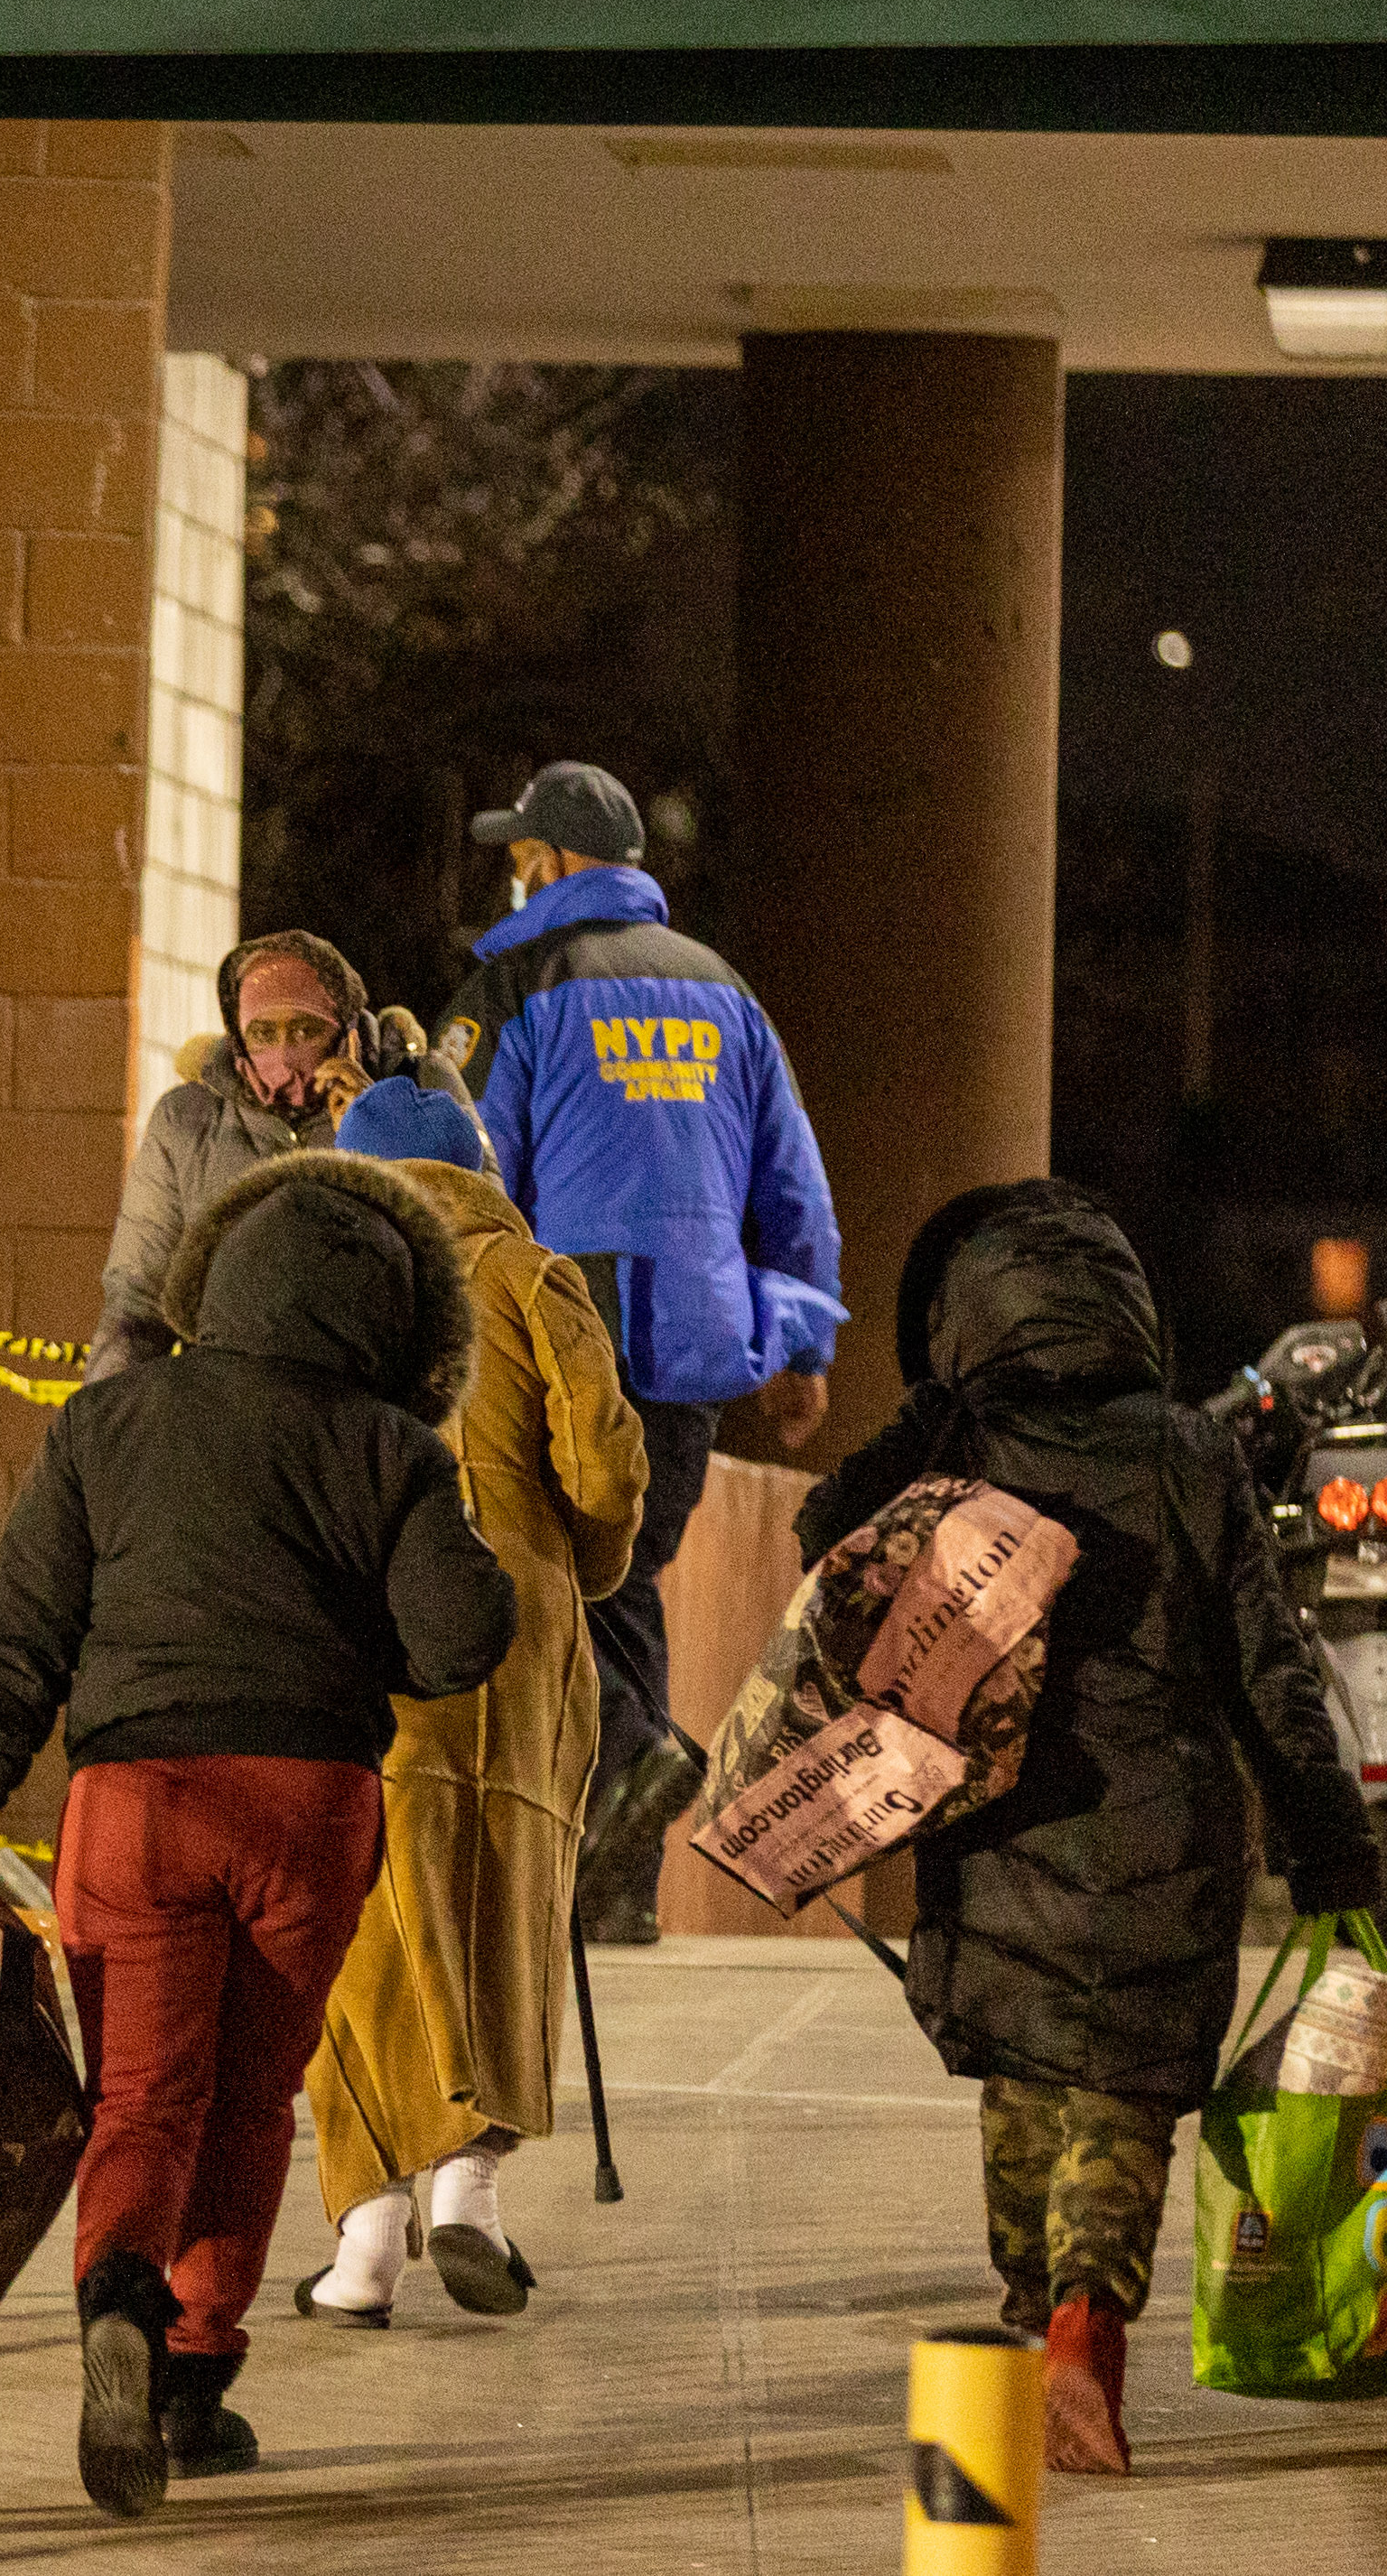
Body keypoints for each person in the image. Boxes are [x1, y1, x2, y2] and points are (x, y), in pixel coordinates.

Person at [0, 1148, 515, 2519]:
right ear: (393, 1319)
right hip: (309, 1804)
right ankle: (190, 2385)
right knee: (247, 2102)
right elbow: (459, 1639)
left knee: (142, 2095)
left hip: (136, 1802)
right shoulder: (393, 1446)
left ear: (217, 1279)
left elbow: (22, 1639)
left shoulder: (106, 1423)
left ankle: (118, 2296)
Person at [790, 1180, 1380, 2478]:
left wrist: (920, 1427)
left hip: (1000, 1842)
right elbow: (1269, 1667)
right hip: (1165, 1845)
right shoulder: (1188, 1454)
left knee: (1025, 2094)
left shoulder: (957, 1452)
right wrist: (1323, 1833)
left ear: (966, 1322)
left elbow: (823, 1545)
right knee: (1121, 2107)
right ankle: (1078, 2329)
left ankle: (1030, 2330)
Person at [444, 760, 842, 1944]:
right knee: (621, 1581)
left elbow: (467, 1172)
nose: (515, 872)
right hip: (694, 1343)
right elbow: (790, 1182)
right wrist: (802, 1343)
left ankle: (633, 1749)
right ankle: (613, 1887)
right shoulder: (724, 993)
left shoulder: (519, 983)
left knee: (543, 1576)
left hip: (562, 1333)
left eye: (523, 854)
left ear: (556, 861)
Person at [277, 1080, 643, 2327]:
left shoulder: (319, 1284)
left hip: (365, 1619)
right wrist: (578, 1568)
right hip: (521, 1640)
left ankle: (365, 2241)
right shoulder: (532, 1276)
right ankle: (470, 2193)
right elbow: (603, 1464)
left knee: (370, 1919)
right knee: (508, 1898)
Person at [89, 929, 435, 1381]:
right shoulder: (188, 1122)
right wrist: (106, 1417)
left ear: (345, 1032)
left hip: (372, 1394)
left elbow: (477, 1232)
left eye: (306, 1029)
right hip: (231, 1396)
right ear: (238, 1036)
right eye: (263, 1033)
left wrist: (381, 1128)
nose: (285, 1053)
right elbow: (136, 1304)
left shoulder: (421, 1087)